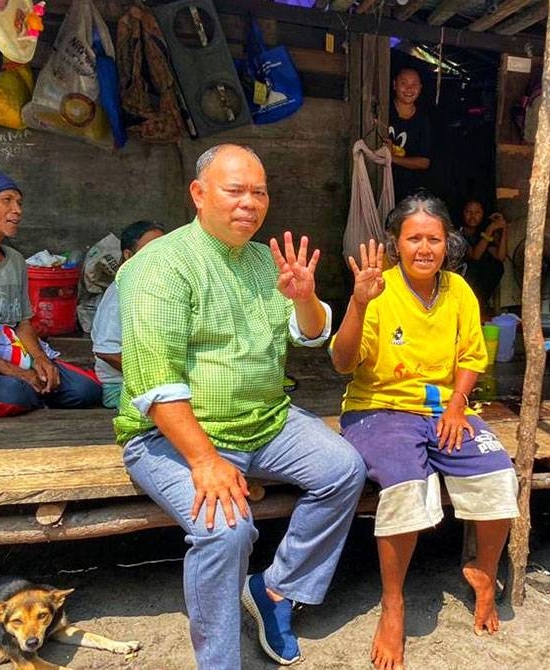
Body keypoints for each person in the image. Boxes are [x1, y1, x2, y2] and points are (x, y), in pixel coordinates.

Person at [115, 144, 367, 668]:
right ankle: (220, 661)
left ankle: (275, 590)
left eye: (259, 192)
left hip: (266, 420)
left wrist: (302, 297)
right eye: (235, 191)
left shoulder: (262, 258)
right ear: (199, 194)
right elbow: (155, 382)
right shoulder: (159, 266)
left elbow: (311, 333)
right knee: (227, 531)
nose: (249, 203)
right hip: (174, 436)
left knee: (345, 469)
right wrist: (206, 461)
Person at [330, 192, 518, 670]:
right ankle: (393, 605)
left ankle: (483, 570)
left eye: (433, 238)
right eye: (413, 238)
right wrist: (356, 302)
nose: (424, 247)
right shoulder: (378, 289)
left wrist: (458, 406)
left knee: (500, 473)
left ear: (447, 243)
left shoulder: (458, 289)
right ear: (395, 243)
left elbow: (473, 356)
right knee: (408, 486)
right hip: (379, 409)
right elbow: (342, 362)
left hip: (443, 409)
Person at [0, 167, 102, 417]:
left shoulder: (15, 260)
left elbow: (22, 323)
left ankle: (27, 385)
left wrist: (40, 359)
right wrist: (15, 372)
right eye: (6, 200)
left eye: (19, 202)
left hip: (11, 352)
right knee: (15, 394)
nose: (17, 210)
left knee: (86, 390)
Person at [91, 220, 165, 408]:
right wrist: (151, 376)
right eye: (150, 249)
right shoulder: (121, 291)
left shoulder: (153, 287)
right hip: (120, 387)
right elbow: (106, 350)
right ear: (128, 255)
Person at [386, 68, 432, 199]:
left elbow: (424, 162)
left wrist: (392, 158)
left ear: (420, 88)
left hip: (406, 190)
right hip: (376, 182)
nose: (409, 89)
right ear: (395, 85)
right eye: (404, 83)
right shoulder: (384, 110)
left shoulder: (422, 120)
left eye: (414, 84)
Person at [459, 199, 507, 312]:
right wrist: (490, 229)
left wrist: (503, 229)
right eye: (468, 212)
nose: (472, 216)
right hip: (463, 274)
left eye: (477, 213)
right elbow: (475, 256)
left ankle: (479, 305)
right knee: (475, 268)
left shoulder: (481, 233)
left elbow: (500, 256)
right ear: (462, 213)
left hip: (480, 280)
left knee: (497, 266)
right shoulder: (459, 233)